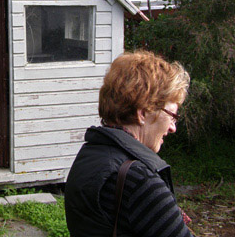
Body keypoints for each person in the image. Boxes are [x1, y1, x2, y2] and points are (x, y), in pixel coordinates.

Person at [65, 50, 193, 236]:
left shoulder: (89, 155)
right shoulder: (139, 181)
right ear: (143, 113)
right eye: (172, 115)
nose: (173, 127)